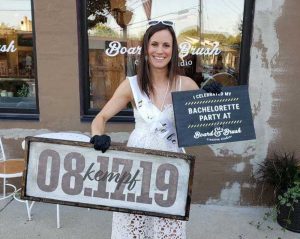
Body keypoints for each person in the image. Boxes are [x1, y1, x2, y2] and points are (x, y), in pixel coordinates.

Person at [90, 20, 221, 239]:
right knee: (133, 227)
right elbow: (101, 117)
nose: (160, 51)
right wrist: (97, 136)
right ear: (146, 49)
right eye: (155, 44)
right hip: (135, 167)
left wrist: (212, 101)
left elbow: (205, 126)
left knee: (167, 229)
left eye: (166, 45)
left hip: (171, 167)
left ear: (173, 50)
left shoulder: (186, 85)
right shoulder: (131, 85)